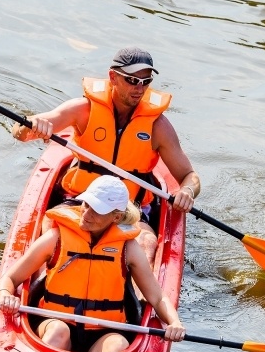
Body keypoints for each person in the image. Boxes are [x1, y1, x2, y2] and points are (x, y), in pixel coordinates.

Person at [12, 46, 200, 267]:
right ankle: (42, 283)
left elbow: (189, 175)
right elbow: (20, 132)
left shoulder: (158, 127)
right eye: (132, 80)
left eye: (145, 81)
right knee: (54, 228)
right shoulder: (84, 110)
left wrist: (187, 191)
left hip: (128, 209)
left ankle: (142, 299)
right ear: (113, 76)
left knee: (147, 243)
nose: (139, 88)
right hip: (81, 201)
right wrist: (32, 126)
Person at [0, 176, 186, 352]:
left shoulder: (129, 248)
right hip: (55, 321)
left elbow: (157, 296)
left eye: (97, 210)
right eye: (86, 204)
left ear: (116, 217)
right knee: (57, 333)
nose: (86, 214)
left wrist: (174, 322)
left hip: (104, 331)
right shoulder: (55, 238)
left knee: (118, 345)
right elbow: (10, 279)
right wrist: (5, 294)